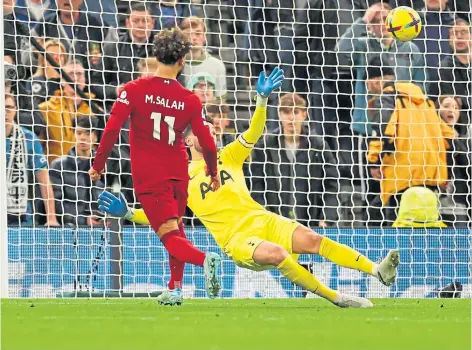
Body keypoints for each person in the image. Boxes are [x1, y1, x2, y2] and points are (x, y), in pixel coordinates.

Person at [98, 68, 400, 308]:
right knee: (280, 254)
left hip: (264, 219)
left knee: (314, 239)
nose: (208, 134)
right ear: (187, 141)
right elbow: (163, 219)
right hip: (239, 240)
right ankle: (336, 298)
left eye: (211, 130)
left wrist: (261, 100)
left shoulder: (227, 156)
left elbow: (254, 131)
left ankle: (377, 271)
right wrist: (127, 213)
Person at [89, 27, 221, 303]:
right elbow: (207, 143)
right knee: (177, 229)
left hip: (150, 176)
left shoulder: (134, 90)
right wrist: (213, 171)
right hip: (178, 174)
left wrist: (98, 164)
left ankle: (204, 259)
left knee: (168, 235)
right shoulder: (190, 98)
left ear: (155, 55)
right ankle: (174, 289)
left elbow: (112, 129)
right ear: (183, 61)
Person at [366, 58, 456, 224]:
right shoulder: (425, 102)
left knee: (400, 227)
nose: (368, 87)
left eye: (368, 82)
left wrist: (374, 162)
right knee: (425, 229)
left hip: (401, 174)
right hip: (429, 175)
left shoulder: (387, 98)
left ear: (376, 80)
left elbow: (384, 129)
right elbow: (449, 138)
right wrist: (447, 173)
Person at [336, 2, 427, 136]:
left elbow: (422, 87)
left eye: (385, 19)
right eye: (375, 21)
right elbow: (340, 50)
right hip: (368, 125)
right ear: (370, 26)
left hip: (403, 123)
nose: (381, 24)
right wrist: (364, 20)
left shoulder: (411, 48)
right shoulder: (362, 46)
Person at [251, 93, 340, 228]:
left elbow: (332, 184)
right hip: (274, 225)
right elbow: (256, 185)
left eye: (295, 112)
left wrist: (327, 217)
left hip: (311, 225)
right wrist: (264, 217)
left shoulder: (318, 145)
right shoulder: (265, 146)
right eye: (286, 112)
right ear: (279, 115)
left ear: (304, 114)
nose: (291, 117)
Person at [5, 93, 59, 226]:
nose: (5, 112)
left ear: (15, 109)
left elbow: (44, 181)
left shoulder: (28, 138)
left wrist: (51, 217)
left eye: (8, 107)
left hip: (19, 214)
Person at [38, 60, 98, 164]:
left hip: (88, 171)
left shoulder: (95, 111)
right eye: (70, 74)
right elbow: (39, 144)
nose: (75, 79)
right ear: (62, 80)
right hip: (56, 172)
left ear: (85, 79)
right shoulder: (46, 109)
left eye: (79, 74)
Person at [50, 116, 106, 226]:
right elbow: (56, 204)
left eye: (87, 133)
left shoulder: (107, 165)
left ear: (95, 137)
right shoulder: (58, 166)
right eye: (79, 133)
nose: (82, 138)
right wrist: (84, 221)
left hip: (102, 226)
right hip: (71, 229)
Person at [102, 2, 155, 103]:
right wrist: (115, 90)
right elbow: (96, 82)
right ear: (127, 23)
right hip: (119, 106)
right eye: (135, 21)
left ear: (152, 23)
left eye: (145, 21)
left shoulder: (162, 50)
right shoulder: (112, 48)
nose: (140, 25)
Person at [435, 95, 471, 227]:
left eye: (455, 107)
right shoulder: (429, 137)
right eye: (446, 106)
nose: (451, 110)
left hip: (458, 204)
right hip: (433, 203)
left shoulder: (465, 140)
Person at [179, 16, 227, 100]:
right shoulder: (173, 65)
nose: (193, 38)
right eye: (188, 34)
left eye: (198, 33)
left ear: (204, 37)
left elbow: (221, 102)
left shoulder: (217, 65)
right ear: (181, 38)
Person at [438, 18, 472, 118]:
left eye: (463, 32)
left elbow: (462, 100)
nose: (459, 37)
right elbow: (454, 101)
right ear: (449, 41)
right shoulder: (444, 67)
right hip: (460, 122)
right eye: (454, 33)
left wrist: (464, 100)